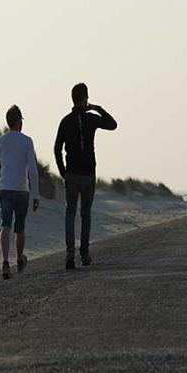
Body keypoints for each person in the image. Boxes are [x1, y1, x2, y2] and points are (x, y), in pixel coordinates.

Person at [53, 83, 117, 269]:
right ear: (85, 98)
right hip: (88, 173)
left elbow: (57, 148)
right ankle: (85, 254)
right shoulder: (90, 118)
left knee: (70, 214)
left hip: (72, 173)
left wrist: (62, 170)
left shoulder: (66, 121)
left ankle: (70, 254)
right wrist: (97, 108)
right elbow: (113, 124)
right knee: (85, 214)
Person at [0, 105, 40, 280]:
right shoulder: (27, 141)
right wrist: (36, 194)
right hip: (21, 189)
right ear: (19, 122)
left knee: (5, 225)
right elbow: (32, 169)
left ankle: (4, 262)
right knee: (20, 227)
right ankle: (18, 259)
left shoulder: (1, 140)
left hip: (5, 188)